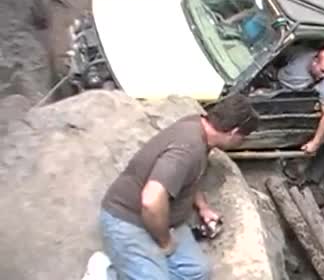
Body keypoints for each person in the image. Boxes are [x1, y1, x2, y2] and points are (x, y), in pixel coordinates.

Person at [97, 94, 259, 280]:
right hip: (128, 220)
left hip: (162, 220)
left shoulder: (199, 128)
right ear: (233, 131)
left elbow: (185, 178)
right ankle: (107, 273)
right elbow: (151, 201)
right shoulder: (188, 149)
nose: (241, 143)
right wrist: (164, 241)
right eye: (242, 138)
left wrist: (203, 207)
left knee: (196, 272)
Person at [276, 45, 324, 154]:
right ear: (315, 61)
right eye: (322, 71)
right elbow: (277, 55)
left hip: (289, 96)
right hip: (274, 80)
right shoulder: (301, 53)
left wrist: (315, 143)